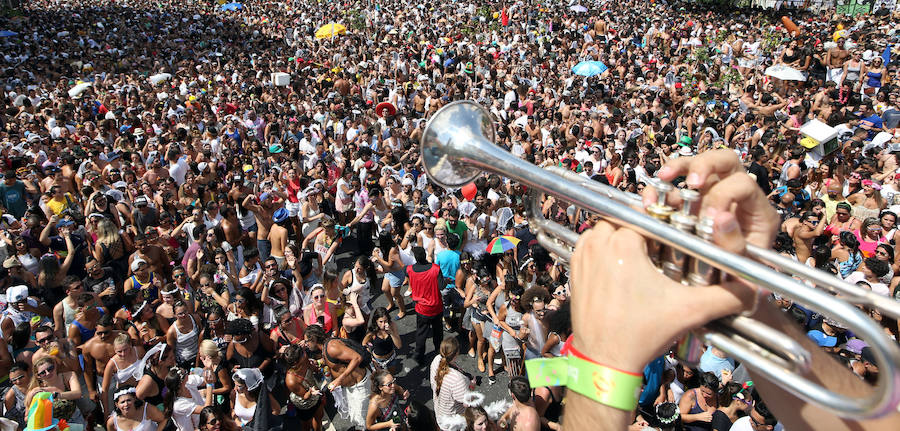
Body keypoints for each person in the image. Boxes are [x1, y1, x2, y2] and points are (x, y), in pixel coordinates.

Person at [303, 324, 370, 429]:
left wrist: (339, 379)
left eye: (307, 341)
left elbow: (357, 358)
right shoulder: (326, 348)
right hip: (351, 388)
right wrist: (319, 362)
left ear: (314, 339)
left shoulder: (332, 347)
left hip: (360, 387)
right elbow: (334, 362)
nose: (305, 344)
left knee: (362, 421)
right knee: (360, 417)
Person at [407, 246, 444, 364]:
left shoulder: (409, 270)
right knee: (438, 332)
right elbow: (441, 286)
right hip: (436, 308)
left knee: (421, 333)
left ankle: (419, 356)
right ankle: (439, 353)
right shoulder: (435, 269)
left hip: (421, 309)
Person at [283, 345, 325, 431]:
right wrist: (311, 391)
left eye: (303, 352)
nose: (305, 354)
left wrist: (318, 368)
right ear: (295, 363)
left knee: (319, 417)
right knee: (306, 426)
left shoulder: (305, 361)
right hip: (305, 404)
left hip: (316, 394)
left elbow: (312, 368)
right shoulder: (291, 381)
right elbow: (305, 396)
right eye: (302, 354)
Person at [163, 366, 215, 431]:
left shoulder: (189, 381)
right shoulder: (178, 405)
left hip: (204, 425)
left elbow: (207, 380)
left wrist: (209, 368)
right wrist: (209, 385)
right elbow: (207, 409)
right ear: (181, 382)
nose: (189, 373)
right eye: (186, 373)